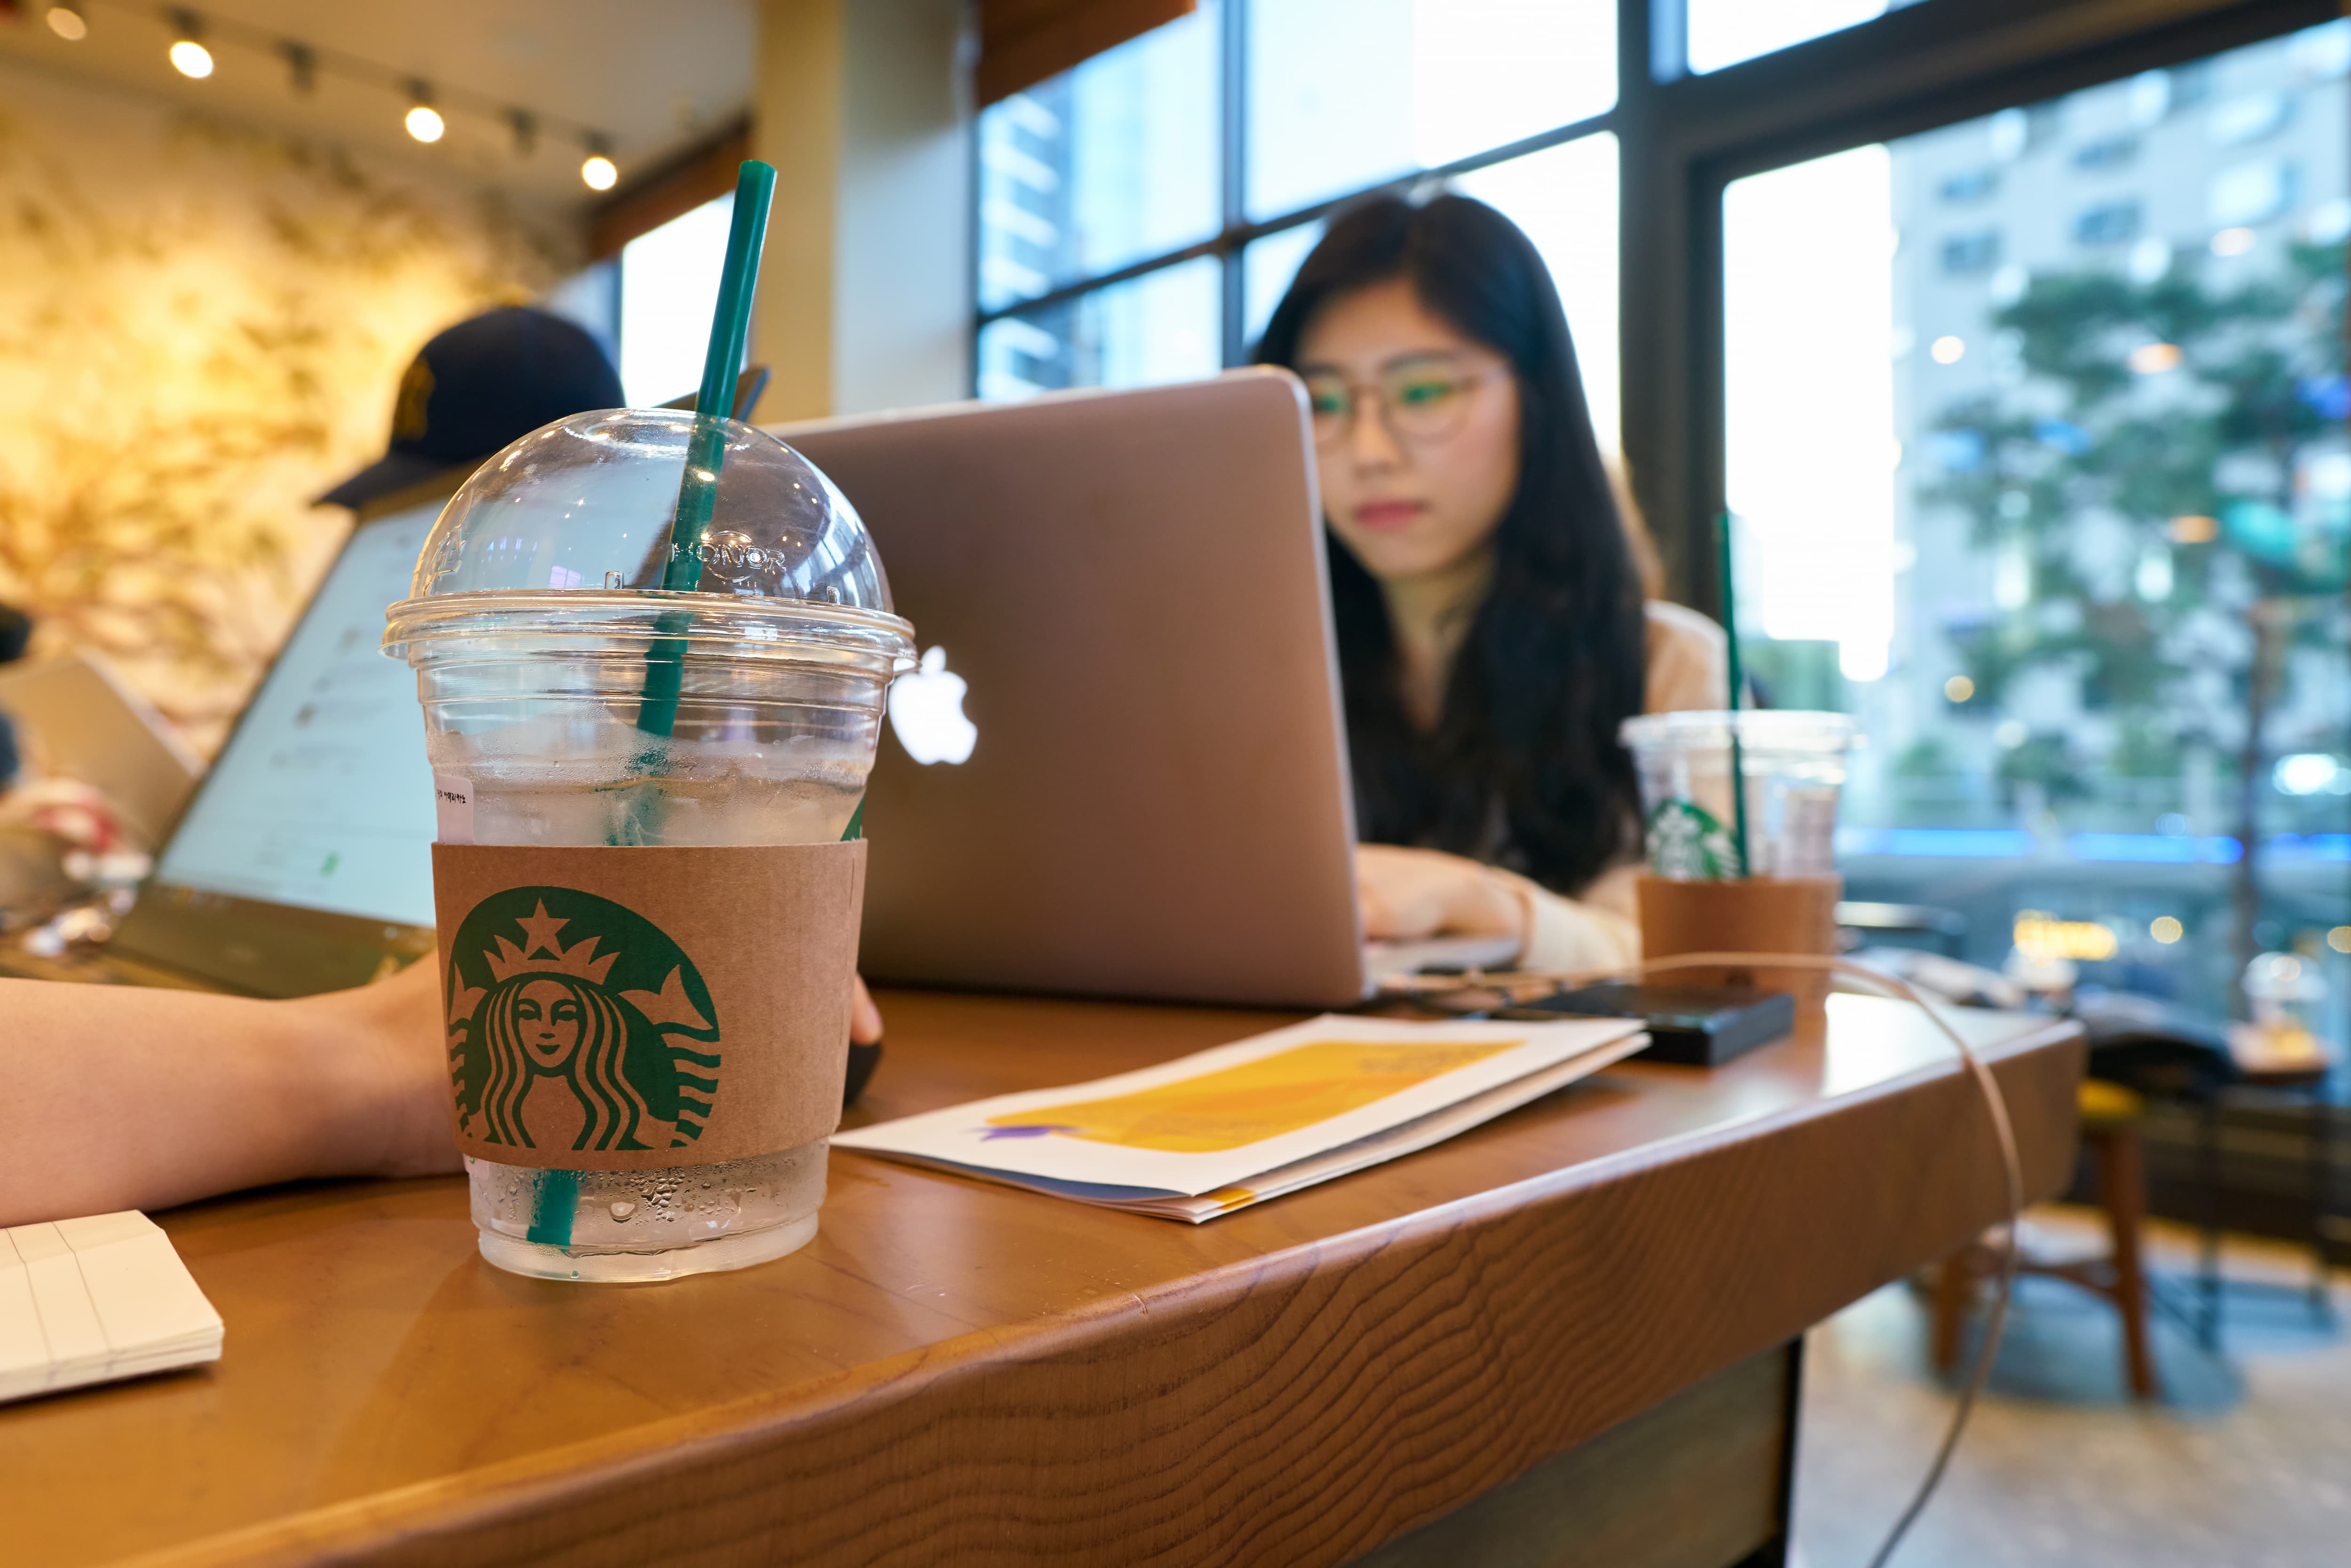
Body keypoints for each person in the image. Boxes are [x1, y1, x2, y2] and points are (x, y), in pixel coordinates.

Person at [1254, 192, 1727, 973]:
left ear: (1535, 403)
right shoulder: (1260, 663)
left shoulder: (1667, 663)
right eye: (1324, 402)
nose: (1367, 451)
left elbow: (1702, 953)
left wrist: (1483, 903)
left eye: (1422, 392)